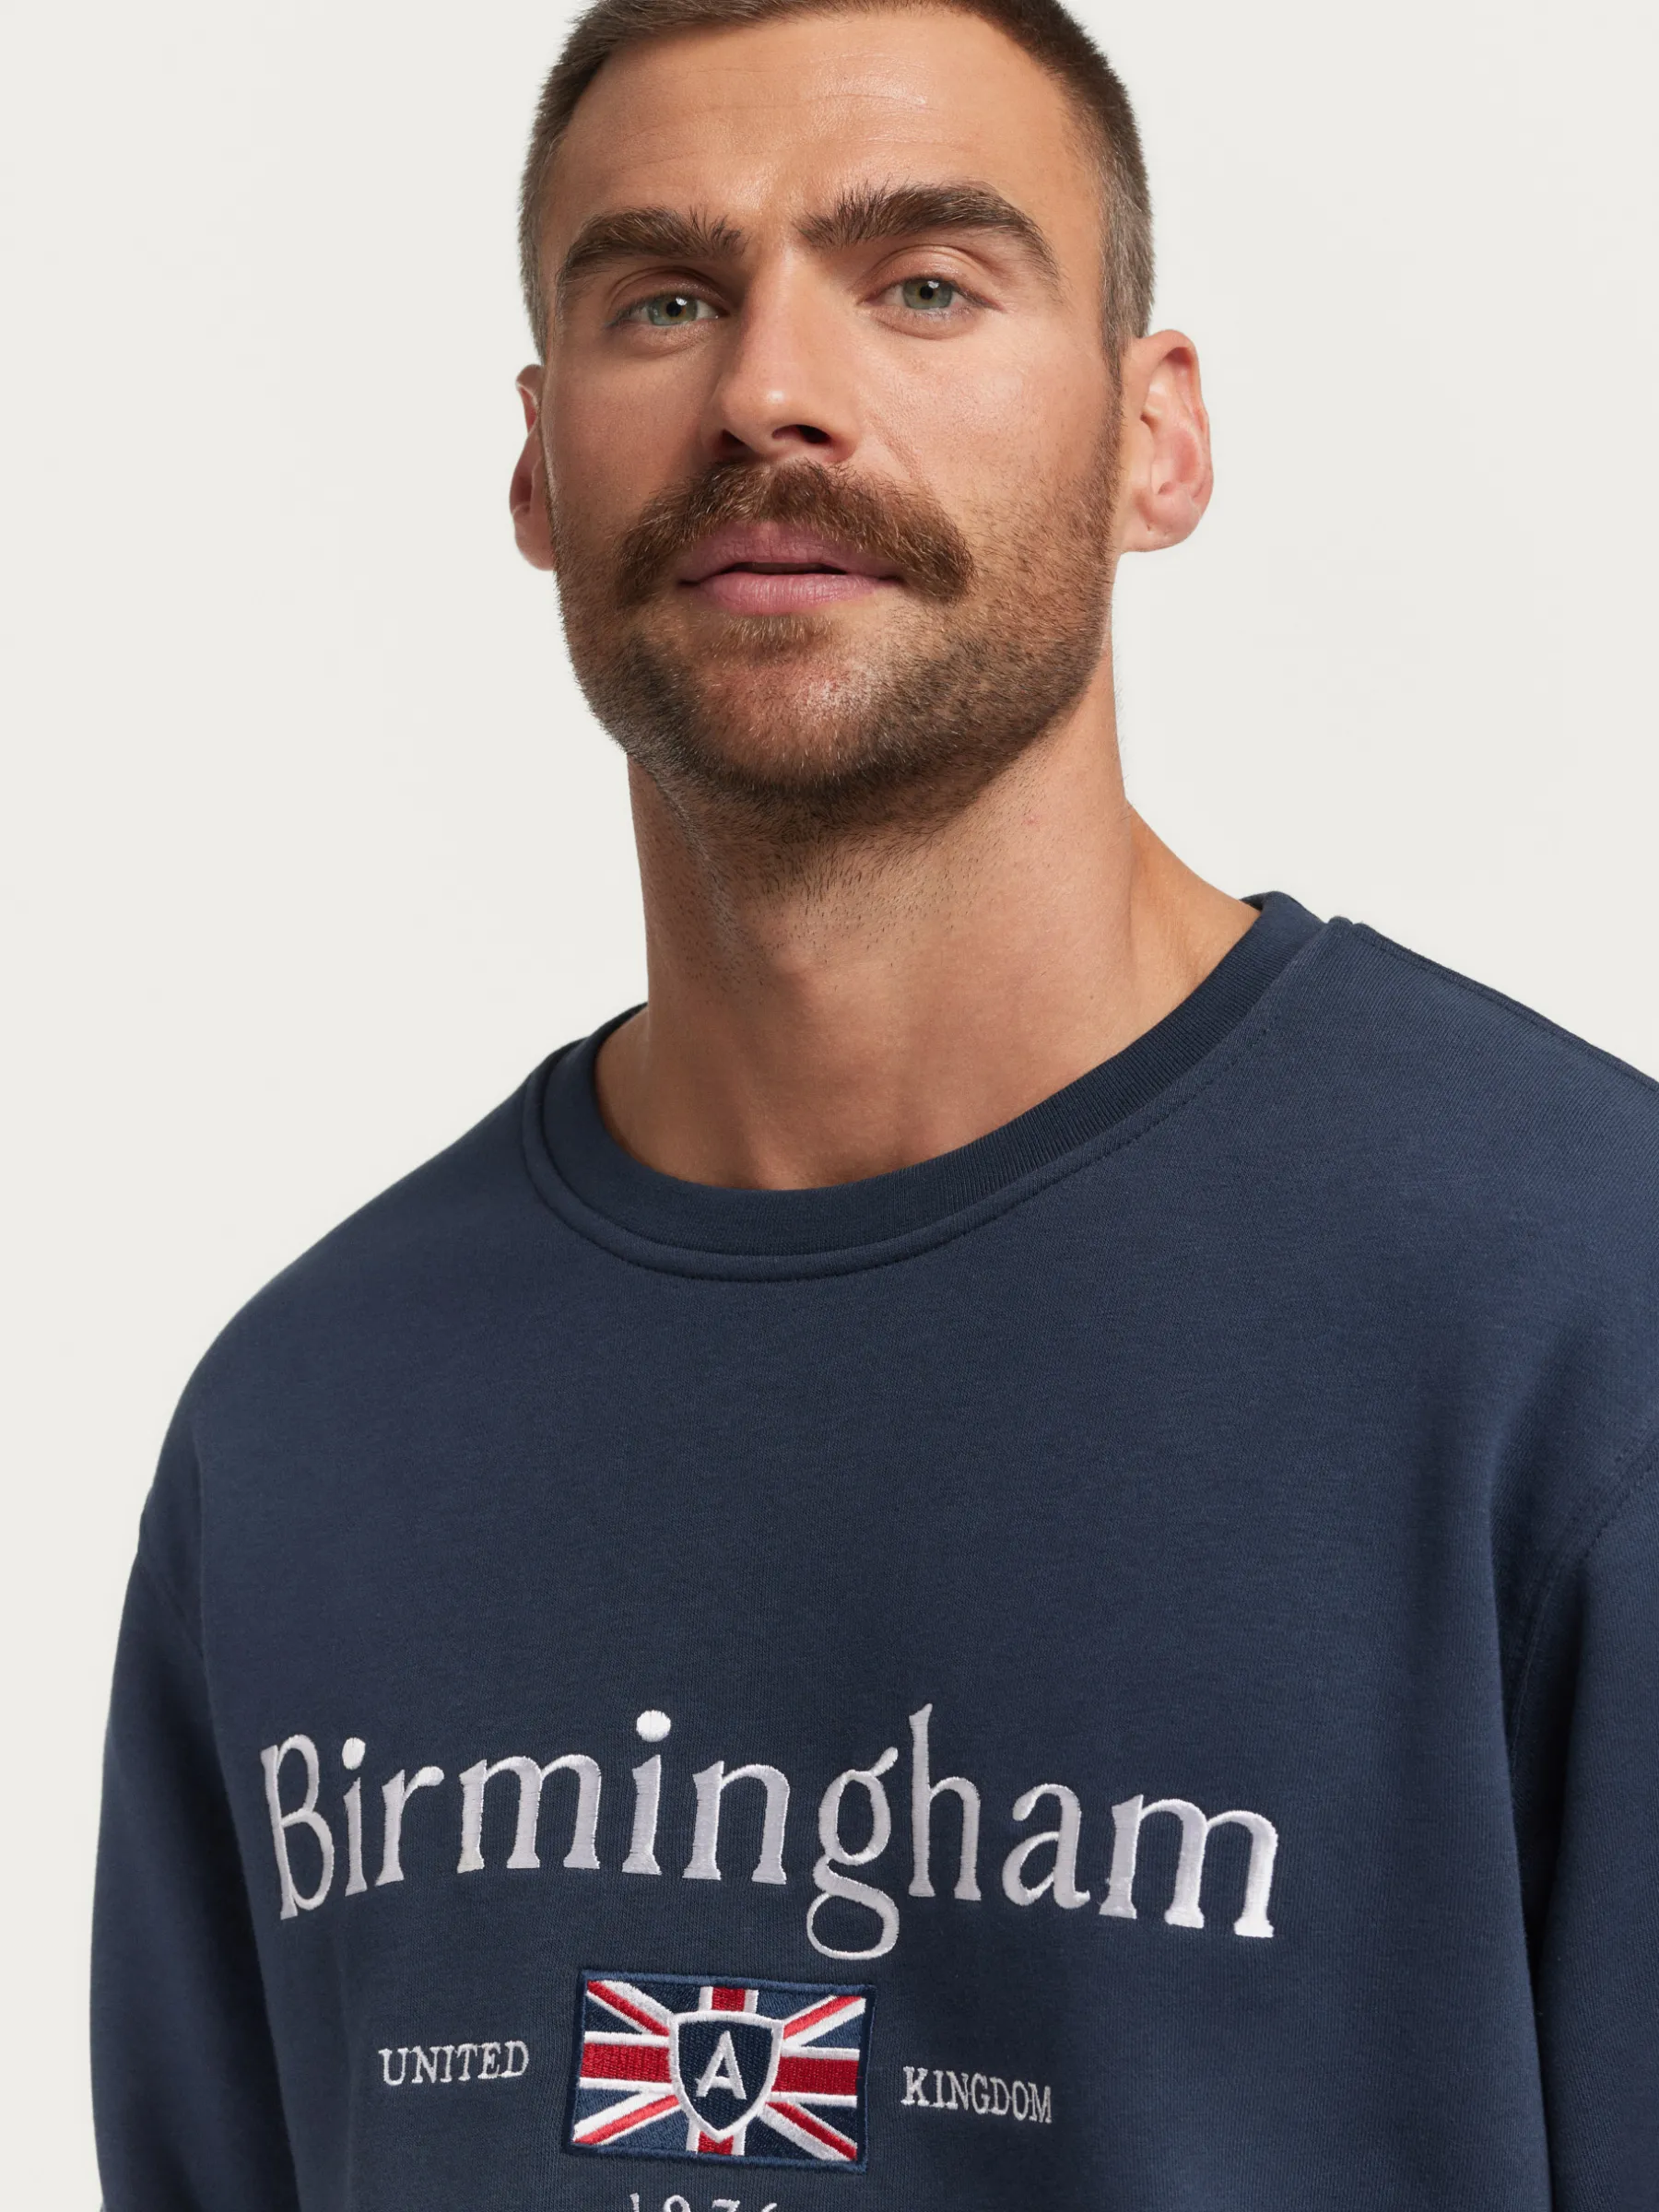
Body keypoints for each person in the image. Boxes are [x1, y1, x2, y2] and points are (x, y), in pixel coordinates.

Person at [90, 0, 1659, 2205]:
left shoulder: (1584, 1322)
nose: (769, 390)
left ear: (1155, 436)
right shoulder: (303, 1426)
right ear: (541, 467)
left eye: (924, 283)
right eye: (664, 298)